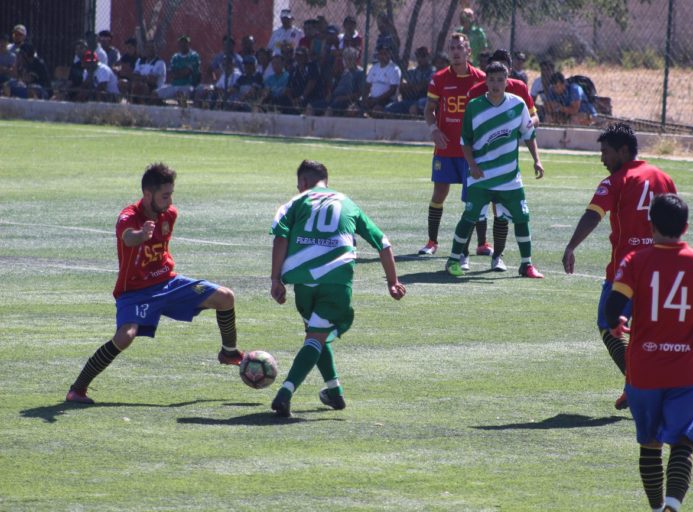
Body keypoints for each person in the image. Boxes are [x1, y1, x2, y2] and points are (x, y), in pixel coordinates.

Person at [65, 163, 243, 404]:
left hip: (169, 283)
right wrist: (141, 236)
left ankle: (229, 353)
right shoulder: (128, 216)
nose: (170, 201)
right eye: (165, 195)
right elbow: (128, 238)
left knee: (226, 297)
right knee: (126, 335)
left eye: (171, 195)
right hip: (135, 292)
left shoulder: (170, 214)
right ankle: (77, 388)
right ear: (148, 194)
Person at [605, 193, 693, 512]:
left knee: (650, 444)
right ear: (685, 227)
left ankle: (657, 507)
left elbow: (613, 309)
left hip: (644, 371)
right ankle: (672, 504)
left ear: (650, 225)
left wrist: (619, 321)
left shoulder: (635, 261)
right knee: (683, 444)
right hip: (686, 372)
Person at [269, 160, 406, 417]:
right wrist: (392, 282)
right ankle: (285, 393)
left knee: (315, 335)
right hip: (336, 281)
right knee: (316, 337)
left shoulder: (296, 202)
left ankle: (334, 391)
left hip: (304, 282)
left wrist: (276, 279)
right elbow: (383, 244)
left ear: (304, 184)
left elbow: (280, 237)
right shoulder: (348, 203)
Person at [562, 122, 677, 410]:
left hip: (626, 272)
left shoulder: (616, 181)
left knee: (607, 324)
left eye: (606, 153)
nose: (602, 159)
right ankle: (636, 386)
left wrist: (571, 246)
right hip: (661, 269)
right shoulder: (663, 177)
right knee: (642, 332)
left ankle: (640, 383)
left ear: (623, 151)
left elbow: (593, 215)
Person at [445, 60, 544, 277]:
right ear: (486, 81)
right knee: (469, 217)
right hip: (480, 176)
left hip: (509, 178)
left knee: (522, 217)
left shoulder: (518, 105)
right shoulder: (474, 106)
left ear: (507, 81)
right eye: (491, 80)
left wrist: (537, 160)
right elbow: (465, 141)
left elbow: (529, 135)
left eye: (500, 79)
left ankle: (526, 264)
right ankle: (453, 260)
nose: (496, 84)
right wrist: (472, 166)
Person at [466, 49, 539, 270]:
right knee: (472, 211)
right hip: (480, 162)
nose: (496, 81)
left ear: (509, 71)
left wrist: (522, 126)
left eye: (502, 71)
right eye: (492, 72)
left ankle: (498, 256)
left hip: (505, 163)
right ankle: (463, 255)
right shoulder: (477, 91)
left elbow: (533, 117)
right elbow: (469, 128)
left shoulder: (519, 89)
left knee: (502, 213)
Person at [420, 32, 485, 259]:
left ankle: (481, 244)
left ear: (468, 51)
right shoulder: (438, 78)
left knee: (473, 197)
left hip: (470, 150)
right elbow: (429, 110)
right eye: (452, 48)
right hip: (446, 148)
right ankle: (432, 241)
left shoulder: (481, 78)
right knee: (439, 193)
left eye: (460, 48)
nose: (456, 52)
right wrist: (434, 130)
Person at [384, 46, 434, 117]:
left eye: (423, 56)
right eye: (418, 56)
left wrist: (410, 86)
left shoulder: (432, 71)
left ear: (428, 57)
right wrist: (411, 86)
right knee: (388, 109)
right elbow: (402, 86)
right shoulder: (413, 71)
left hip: (423, 101)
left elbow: (419, 88)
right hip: (409, 99)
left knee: (413, 108)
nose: (420, 58)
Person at [155, 35, 200, 104]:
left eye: (185, 42)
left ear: (189, 44)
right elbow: (171, 74)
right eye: (181, 42)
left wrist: (178, 73)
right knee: (155, 94)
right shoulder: (175, 57)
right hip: (174, 85)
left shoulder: (194, 56)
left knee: (180, 96)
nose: (183, 44)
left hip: (187, 86)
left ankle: (184, 113)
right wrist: (181, 72)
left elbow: (187, 72)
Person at [362, 45, 400, 115]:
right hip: (372, 99)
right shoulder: (374, 68)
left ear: (390, 54)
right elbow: (367, 86)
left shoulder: (394, 69)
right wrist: (365, 99)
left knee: (377, 110)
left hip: (386, 100)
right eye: (381, 54)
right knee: (353, 108)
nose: (382, 56)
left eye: (385, 54)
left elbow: (393, 90)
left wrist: (377, 99)